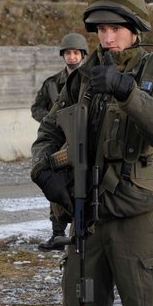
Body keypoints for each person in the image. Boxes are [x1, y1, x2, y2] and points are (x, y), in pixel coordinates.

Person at [30, 0, 153, 306]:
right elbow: (48, 133)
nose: (107, 37)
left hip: (137, 221)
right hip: (87, 222)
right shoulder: (81, 78)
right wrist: (43, 170)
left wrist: (126, 91)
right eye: (100, 30)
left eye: (115, 28)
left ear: (135, 28)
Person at [31, 33, 88, 251]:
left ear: (82, 55)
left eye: (75, 53)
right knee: (54, 184)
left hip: (81, 138)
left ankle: (82, 227)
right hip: (58, 141)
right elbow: (36, 108)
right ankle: (58, 232)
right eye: (68, 53)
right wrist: (50, 120)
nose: (72, 57)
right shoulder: (52, 84)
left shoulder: (89, 81)